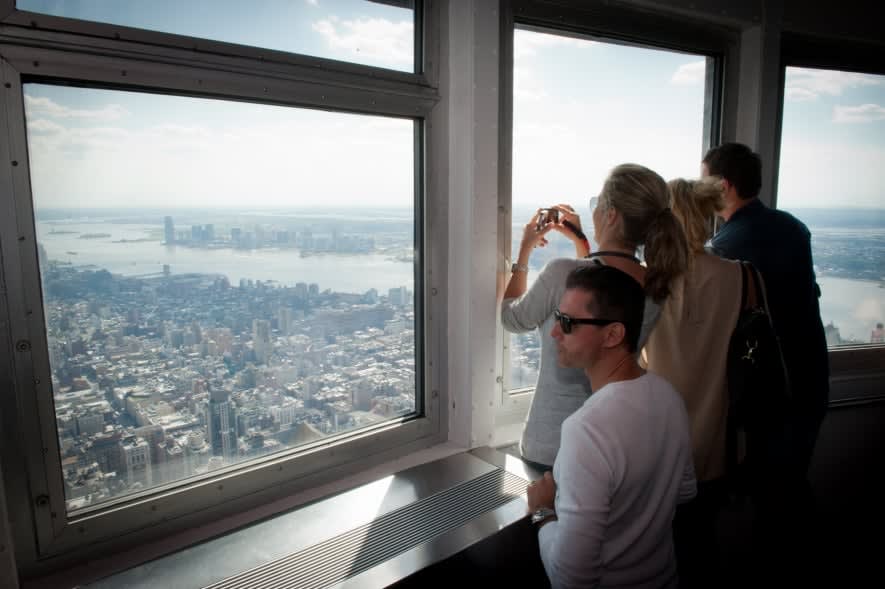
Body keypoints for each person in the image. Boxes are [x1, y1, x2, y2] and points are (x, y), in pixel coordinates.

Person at [501, 163, 689, 469]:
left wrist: (524, 252)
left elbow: (512, 319)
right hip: (614, 443)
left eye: (597, 205)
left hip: (551, 445)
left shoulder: (562, 273)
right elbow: (597, 302)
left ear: (611, 214)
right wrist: (583, 246)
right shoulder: (656, 284)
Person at [702, 142, 829, 579]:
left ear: (723, 185)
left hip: (769, 390)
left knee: (772, 500)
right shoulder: (793, 228)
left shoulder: (728, 246)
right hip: (808, 379)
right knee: (789, 493)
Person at [526, 265, 696, 589]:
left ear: (613, 335)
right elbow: (685, 490)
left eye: (566, 323)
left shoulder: (587, 430)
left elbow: (571, 579)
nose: (554, 332)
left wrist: (544, 512)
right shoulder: (669, 397)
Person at [641, 178, 743, 587]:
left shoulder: (651, 279)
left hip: (658, 437)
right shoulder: (739, 275)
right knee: (702, 543)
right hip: (716, 436)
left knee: (655, 552)